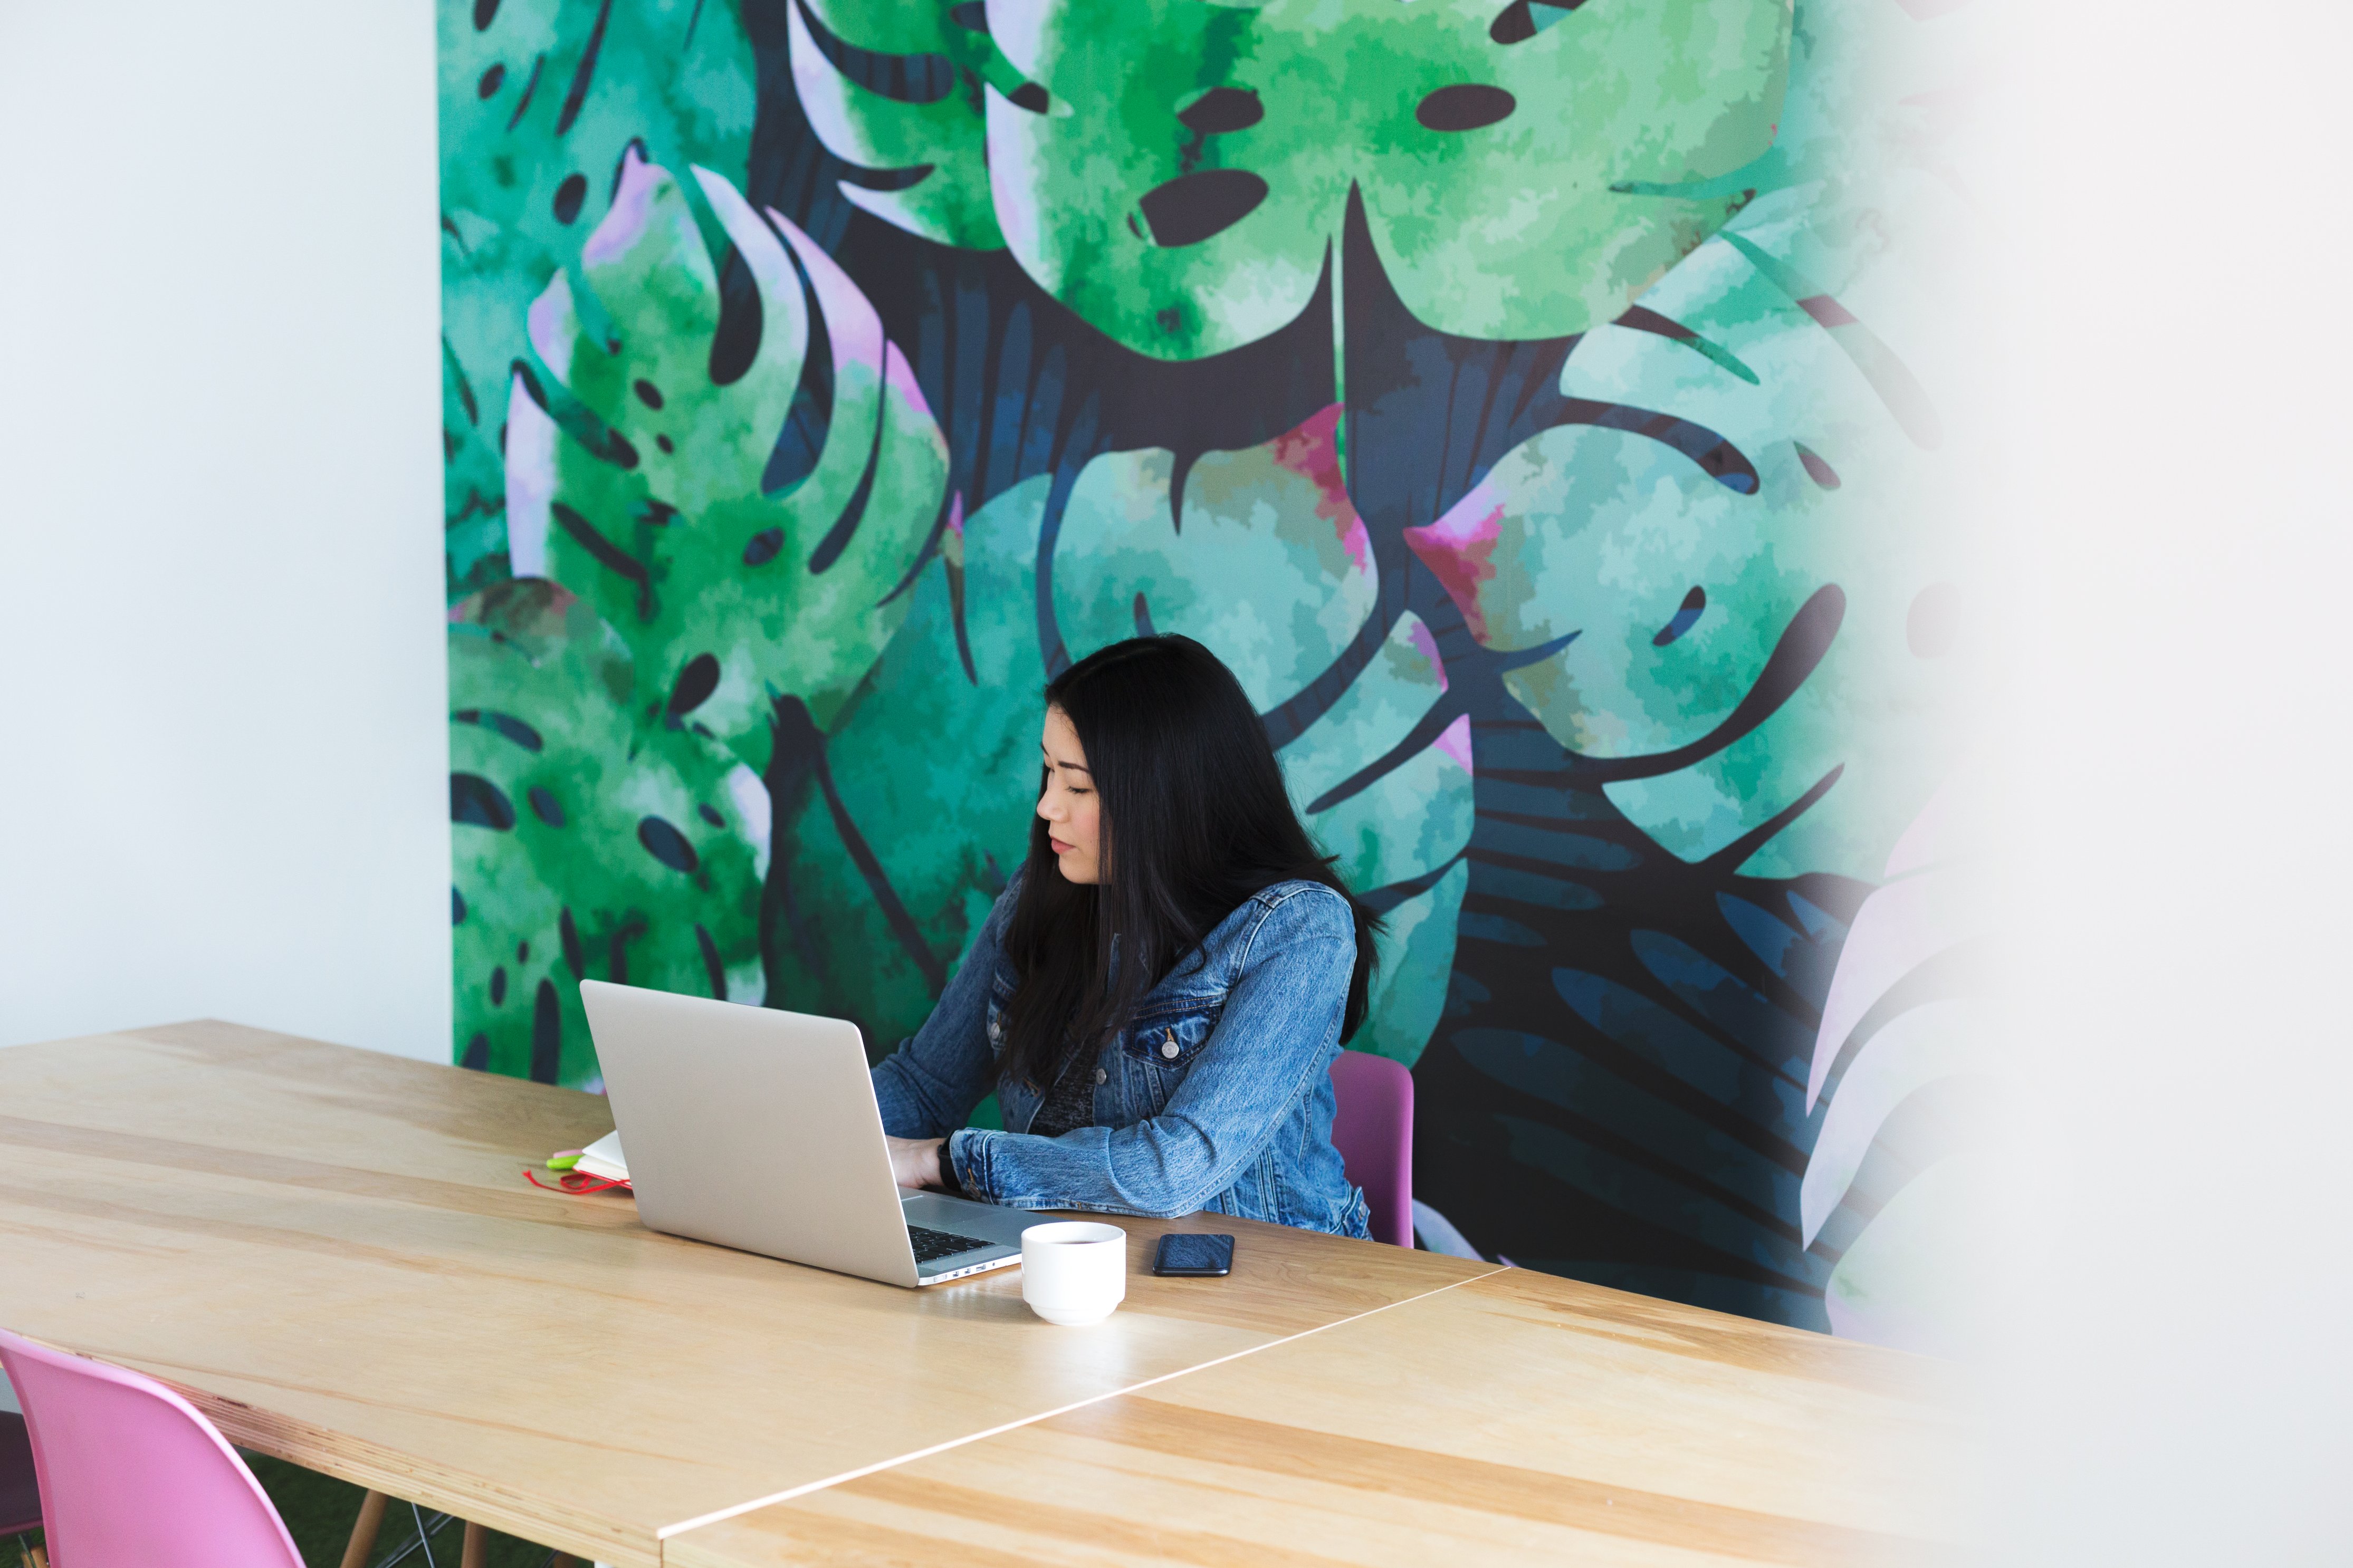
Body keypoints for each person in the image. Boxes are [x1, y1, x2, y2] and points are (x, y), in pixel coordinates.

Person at [871, 634, 1382, 1238]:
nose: (1046, 807)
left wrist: (941, 1162)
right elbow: (924, 1086)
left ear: (1162, 797)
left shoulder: (1300, 930)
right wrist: (800, 1133)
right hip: (1068, 1268)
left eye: (1077, 786)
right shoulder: (1042, 894)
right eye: (1047, 772)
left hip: (1268, 1284)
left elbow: (1174, 1169)